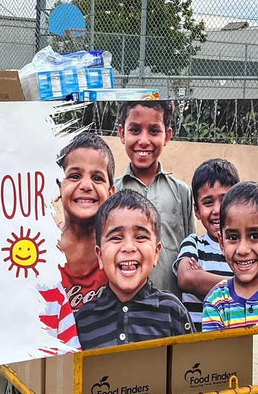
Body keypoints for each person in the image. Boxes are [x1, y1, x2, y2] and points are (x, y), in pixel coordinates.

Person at [74, 190, 194, 350]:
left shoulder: (172, 311)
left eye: (140, 237)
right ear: (100, 255)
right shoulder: (83, 320)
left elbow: (189, 368)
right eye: (116, 238)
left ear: (157, 252)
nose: (129, 247)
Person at [115, 99, 194, 295]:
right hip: (124, 309)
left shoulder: (182, 193)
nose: (143, 140)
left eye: (154, 130)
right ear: (122, 133)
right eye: (134, 130)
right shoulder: (111, 192)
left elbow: (190, 255)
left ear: (167, 136)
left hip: (170, 310)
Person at [175, 158, 240, 328]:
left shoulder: (244, 248)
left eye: (224, 200)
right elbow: (187, 278)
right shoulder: (194, 243)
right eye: (208, 202)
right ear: (197, 211)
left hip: (237, 342)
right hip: (197, 342)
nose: (217, 210)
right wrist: (240, 286)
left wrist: (203, 279)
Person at [56, 132, 116, 311]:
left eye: (97, 178)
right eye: (75, 176)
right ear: (58, 186)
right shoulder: (38, 249)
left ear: (111, 193)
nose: (86, 186)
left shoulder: (119, 252)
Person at [200, 182, 258, 332]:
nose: (242, 250)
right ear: (221, 242)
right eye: (233, 237)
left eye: (254, 236)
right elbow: (216, 354)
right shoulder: (216, 302)